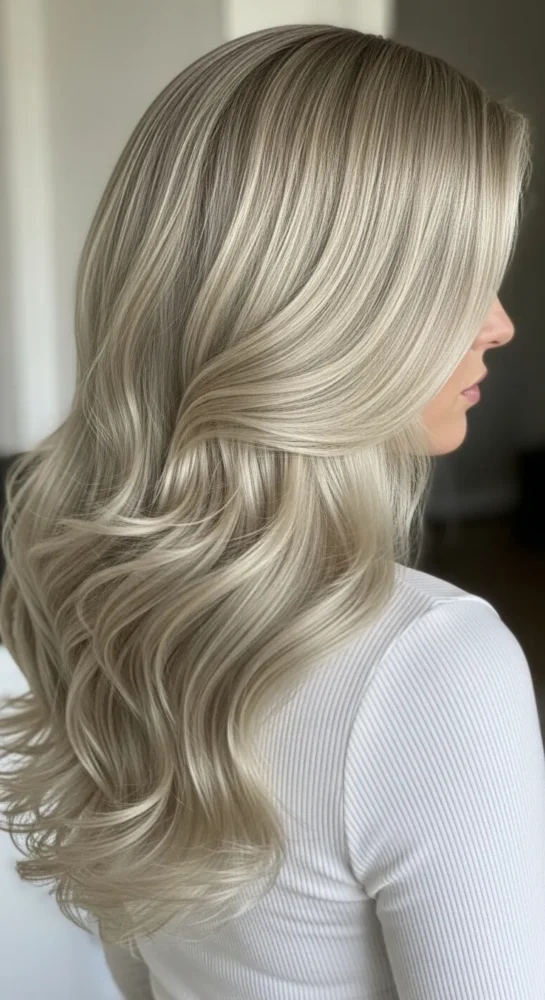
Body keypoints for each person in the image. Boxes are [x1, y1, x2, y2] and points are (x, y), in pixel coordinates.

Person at [0, 24, 543, 1000]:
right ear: (322, 306)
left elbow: (144, 975)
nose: (497, 322)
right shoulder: (431, 668)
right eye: (453, 279)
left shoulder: (98, 598)